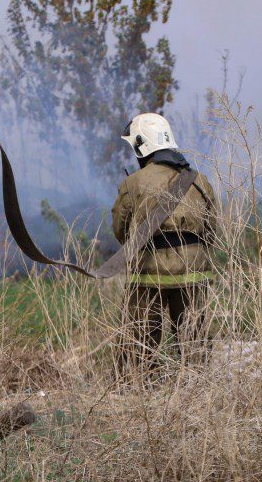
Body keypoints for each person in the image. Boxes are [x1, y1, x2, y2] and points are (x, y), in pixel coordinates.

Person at [112, 113, 217, 375]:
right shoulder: (199, 180)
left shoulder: (133, 183)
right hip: (194, 270)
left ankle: (136, 386)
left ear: (140, 145)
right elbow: (212, 228)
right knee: (193, 338)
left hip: (150, 272)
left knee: (139, 339)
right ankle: (197, 387)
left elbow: (121, 231)